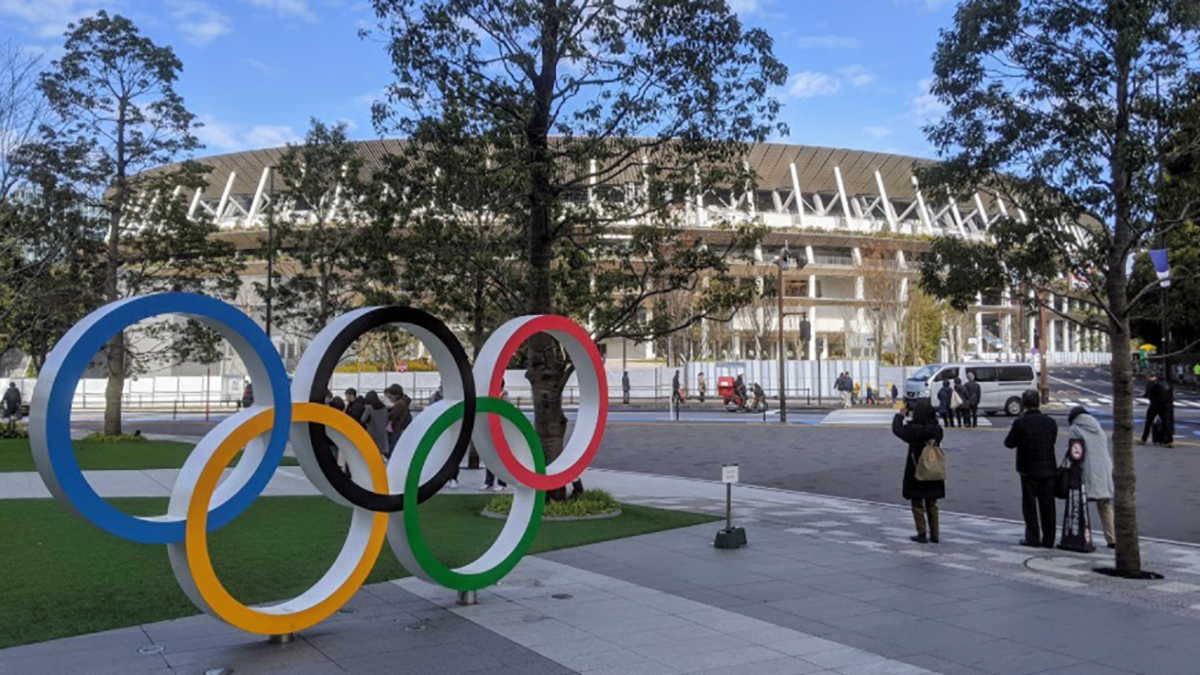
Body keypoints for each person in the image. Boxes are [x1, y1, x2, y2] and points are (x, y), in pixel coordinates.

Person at [1004, 389, 1059, 548]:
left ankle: (1033, 537)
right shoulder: (1050, 422)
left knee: (1030, 505)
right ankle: (1049, 539)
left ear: (1023, 403)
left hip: (1028, 468)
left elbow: (1009, 443)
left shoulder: (1021, 422)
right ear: (1038, 402)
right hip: (1048, 467)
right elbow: (1052, 440)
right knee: (1048, 505)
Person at [892, 400, 944, 543]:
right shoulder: (937, 430)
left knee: (917, 502)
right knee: (932, 503)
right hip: (934, 469)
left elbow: (897, 429)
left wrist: (900, 415)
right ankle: (935, 535)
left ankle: (922, 533)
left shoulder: (913, 430)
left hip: (917, 469)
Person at [1069, 406, 1115, 548]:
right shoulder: (1099, 429)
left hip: (1087, 469)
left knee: (1081, 504)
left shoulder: (1075, 429)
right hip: (1104, 469)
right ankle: (1112, 538)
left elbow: (1076, 453)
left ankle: (1082, 536)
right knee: (1105, 504)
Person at [482, 380, 509, 491]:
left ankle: (502, 483)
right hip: (490, 429)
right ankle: (489, 481)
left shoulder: (504, 397)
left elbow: (506, 413)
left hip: (500, 430)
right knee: (489, 456)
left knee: (501, 457)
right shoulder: (491, 396)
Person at [1139, 373, 1170, 447]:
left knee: (1148, 423)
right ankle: (1168, 441)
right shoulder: (1162, 384)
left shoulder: (1150, 385)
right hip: (1163, 406)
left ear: (1149, 377)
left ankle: (1144, 439)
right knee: (1165, 423)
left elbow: (1147, 394)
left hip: (1154, 406)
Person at [359, 391, 390, 459]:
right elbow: (386, 419)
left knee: (372, 454)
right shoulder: (384, 408)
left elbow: (362, 419)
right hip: (382, 433)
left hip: (372, 433)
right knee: (380, 454)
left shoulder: (369, 408)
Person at [384, 384, 412, 454]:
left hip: (396, 428)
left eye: (391, 395)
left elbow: (391, 416)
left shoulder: (400, 404)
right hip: (399, 427)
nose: (389, 397)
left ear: (397, 395)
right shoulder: (403, 402)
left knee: (392, 447)